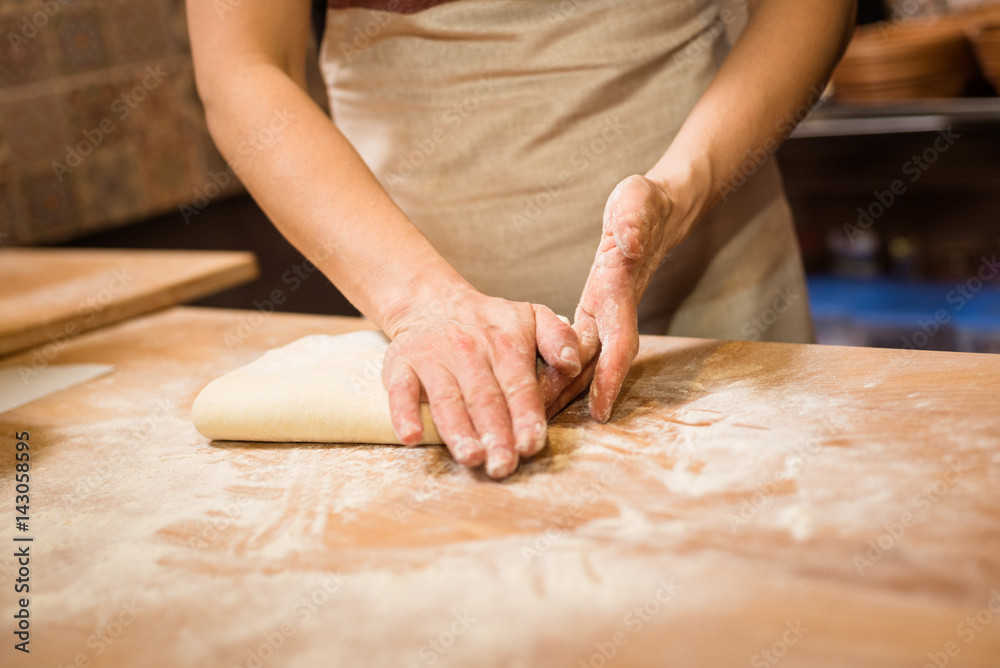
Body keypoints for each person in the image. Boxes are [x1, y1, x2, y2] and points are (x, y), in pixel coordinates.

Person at [187, 0, 856, 479]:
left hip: (713, 279)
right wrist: (421, 302)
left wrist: (675, 197)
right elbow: (243, 67)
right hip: (423, 330)